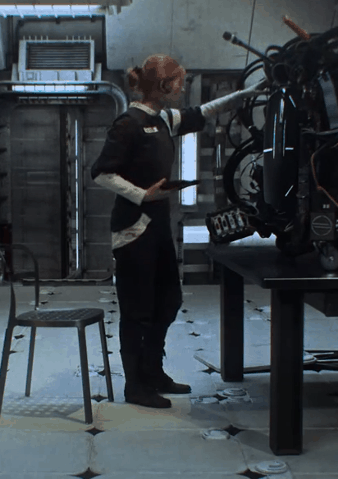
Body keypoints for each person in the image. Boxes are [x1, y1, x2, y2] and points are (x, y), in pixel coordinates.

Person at [90, 54, 265, 408]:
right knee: (138, 310)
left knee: (169, 300)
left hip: (157, 227)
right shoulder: (128, 124)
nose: (183, 89)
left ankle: (153, 372)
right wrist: (143, 195)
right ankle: (135, 386)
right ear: (164, 85)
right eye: (179, 83)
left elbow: (203, 112)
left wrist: (245, 94)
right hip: (133, 230)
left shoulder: (164, 119)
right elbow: (101, 173)